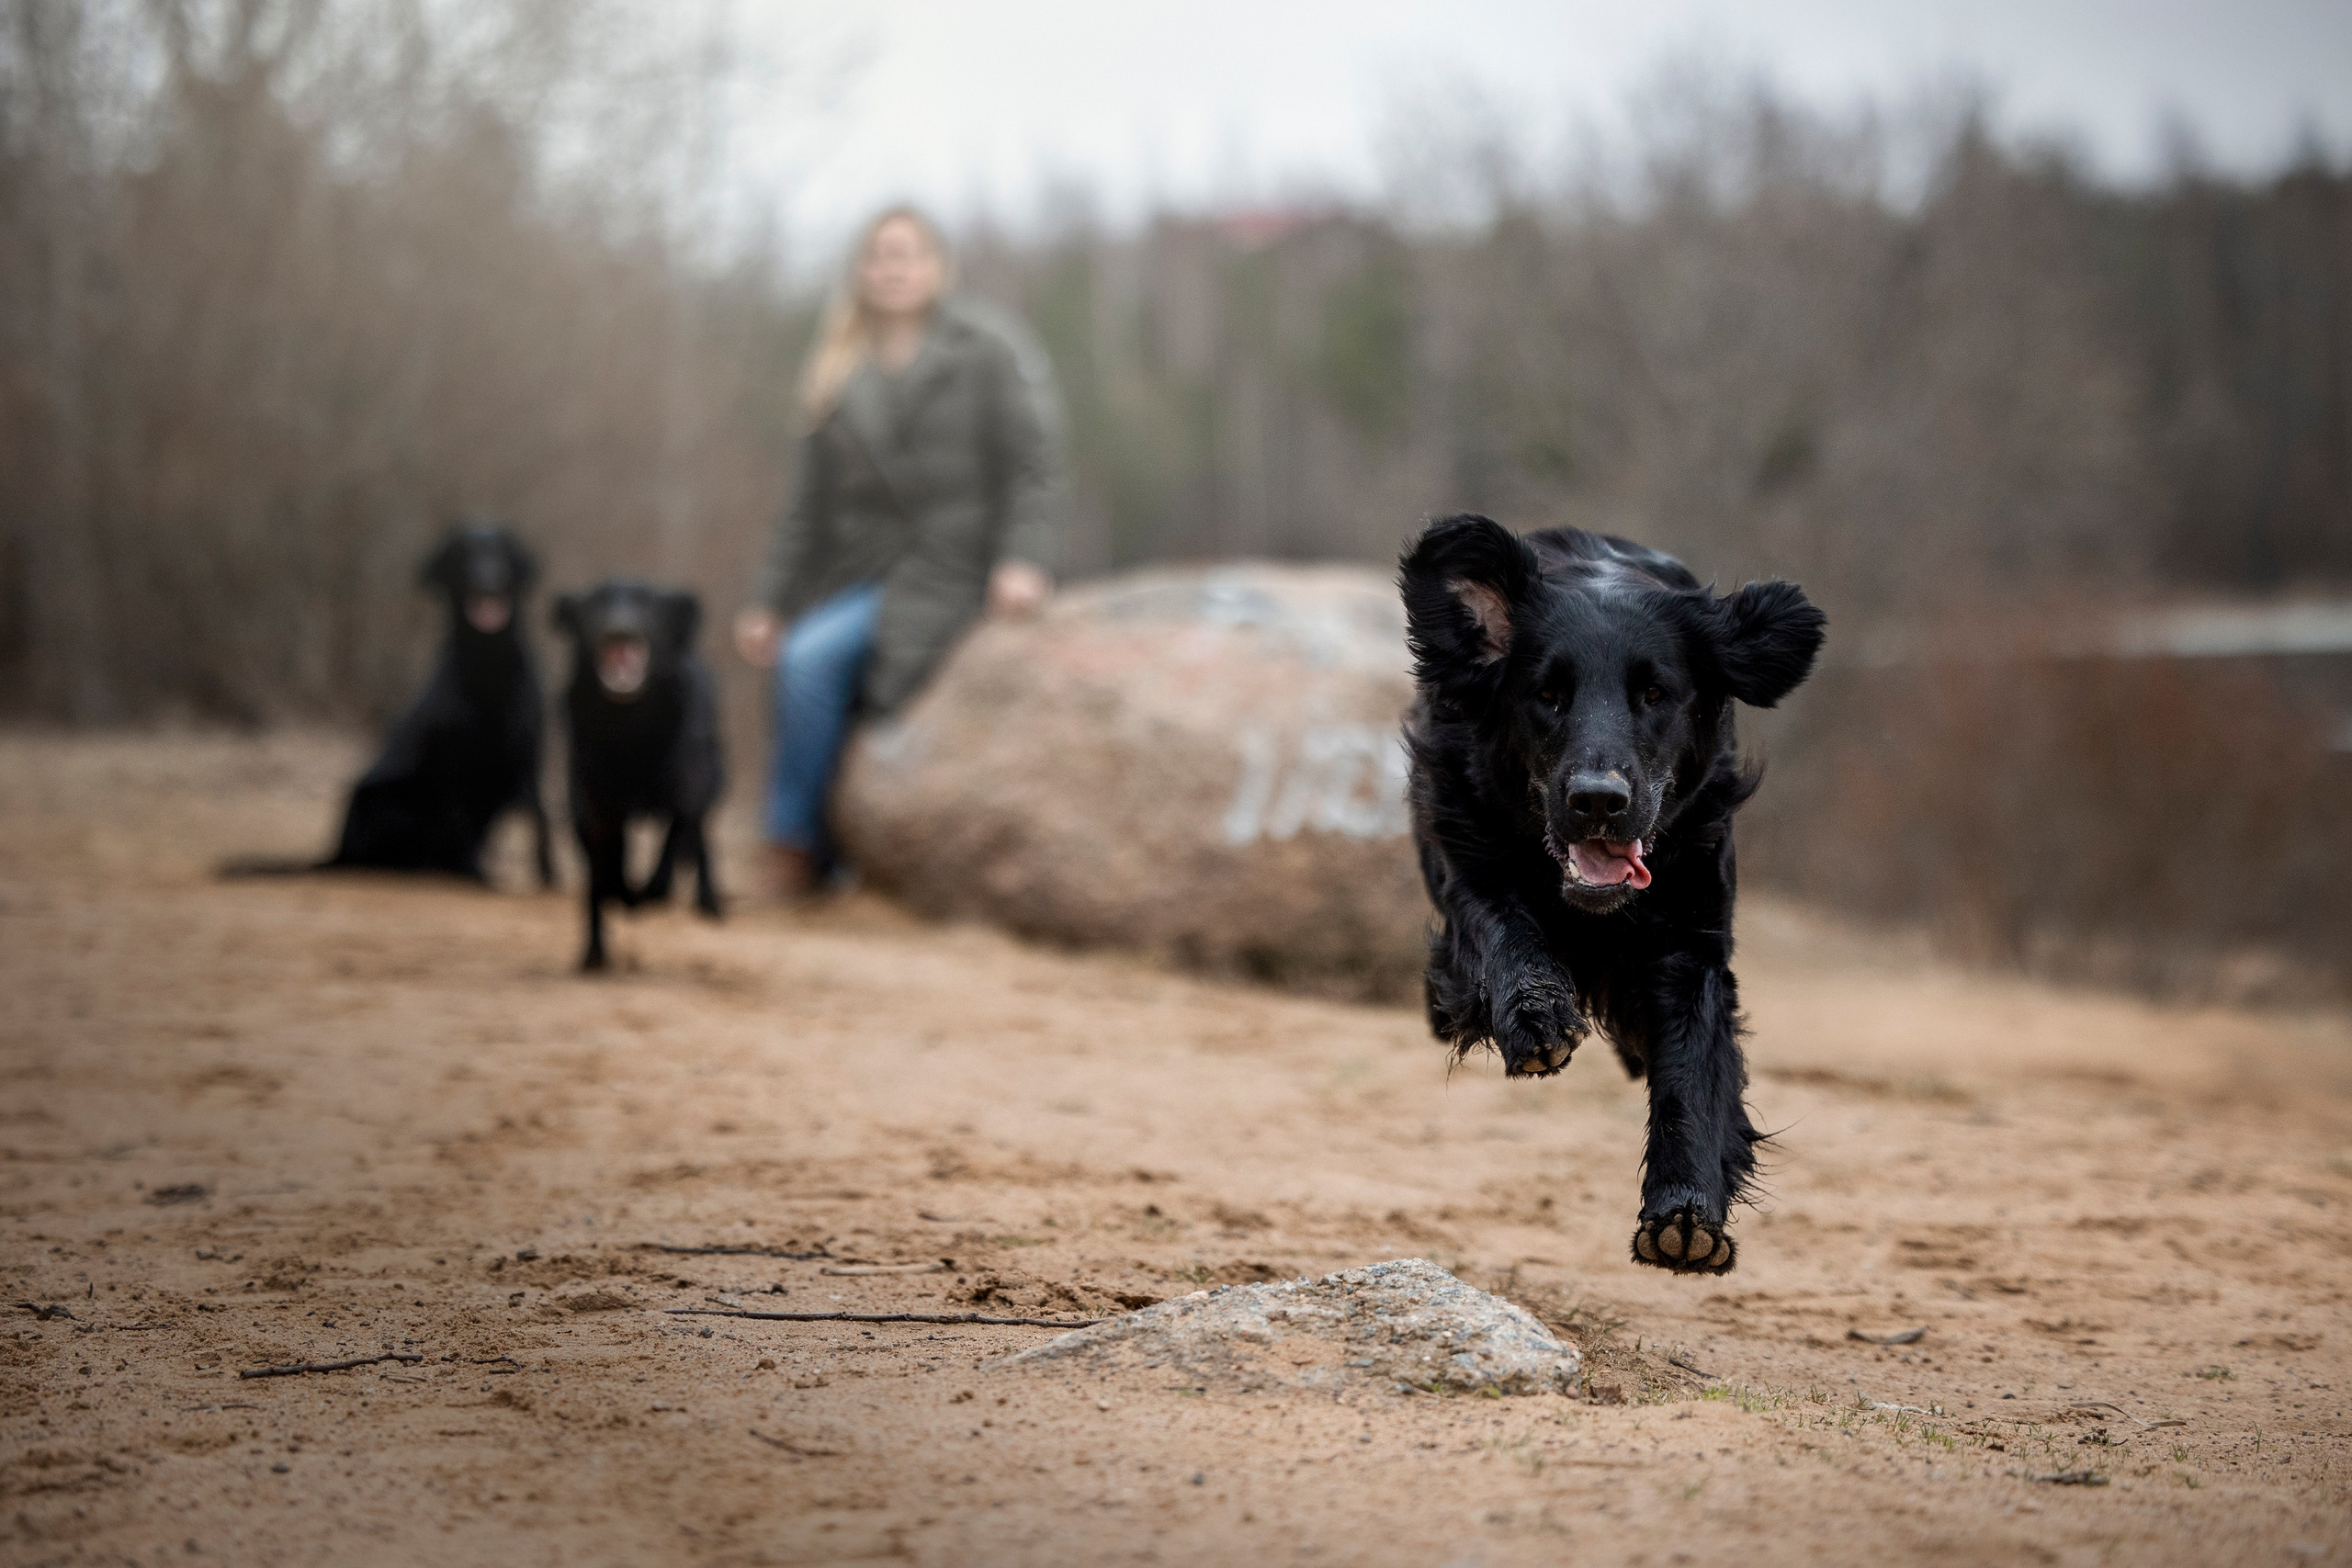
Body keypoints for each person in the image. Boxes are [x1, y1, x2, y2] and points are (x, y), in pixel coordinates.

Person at [734, 206, 1067, 898]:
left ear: (937, 267)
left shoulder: (988, 349)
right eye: (879, 255)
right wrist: (769, 601)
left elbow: (1033, 465)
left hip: (963, 568)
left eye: (907, 254)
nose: (892, 268)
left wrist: (1022, 560)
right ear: (860, 270)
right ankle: (794, 844)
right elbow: (805, 510)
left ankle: (871, 855)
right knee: (806, 660)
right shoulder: (835, 369)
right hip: (863, 574)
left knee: (893, 684)